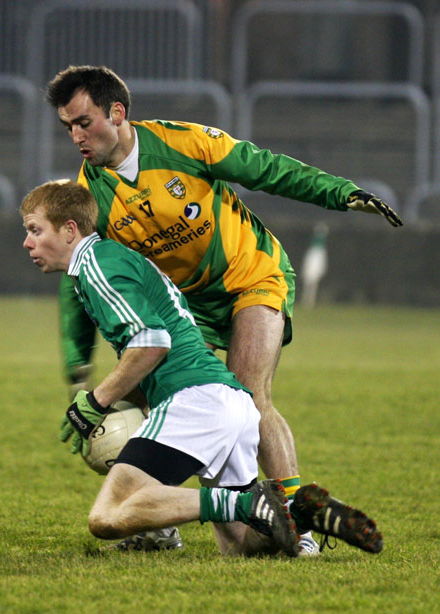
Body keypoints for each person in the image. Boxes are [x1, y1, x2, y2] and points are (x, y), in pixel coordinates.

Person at [45, 65, 402, 554]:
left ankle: (298, 521)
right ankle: (157, 528)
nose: (76, 136)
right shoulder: (91, 195)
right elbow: (81, 276)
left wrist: (340, 193)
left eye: (84, 121)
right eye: (68, 127)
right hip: (191, 303)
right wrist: (77, 357)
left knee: (251, 392)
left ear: (118, 112)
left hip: (251, 274)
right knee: (157, 399)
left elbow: (265, 167)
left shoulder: (184, 143)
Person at [20, 179, 384, 557]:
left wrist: (95, 402)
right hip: (230, 402)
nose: (28, 243)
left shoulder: (97, 265)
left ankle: (247, 504)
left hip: (194, 402)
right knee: (243, 545)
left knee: (107, 517)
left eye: (35, 230)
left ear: (69, 229)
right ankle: (300, 511)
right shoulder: (110, 260)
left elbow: (151, 342)